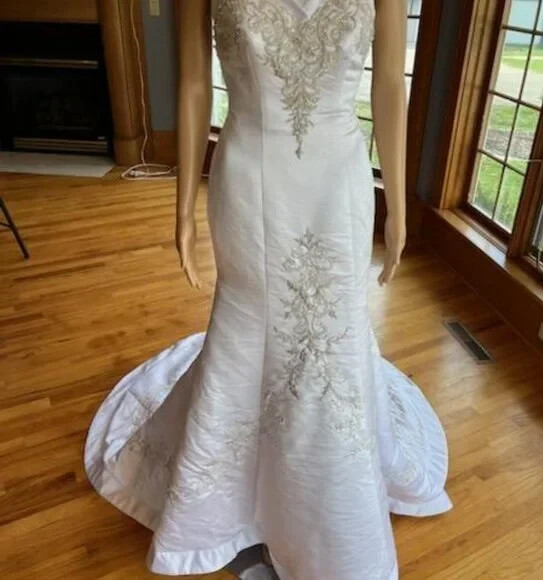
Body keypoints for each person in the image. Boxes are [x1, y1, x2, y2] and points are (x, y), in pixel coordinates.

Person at [84, 1, 452, 578]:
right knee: (248, 328)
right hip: (249, 180)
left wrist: (398, 208)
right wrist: (182, 211)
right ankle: (233, 498)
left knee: (332, 337)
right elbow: (192, 83)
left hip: (339, 187)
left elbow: (388, 83)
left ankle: (325, 505)